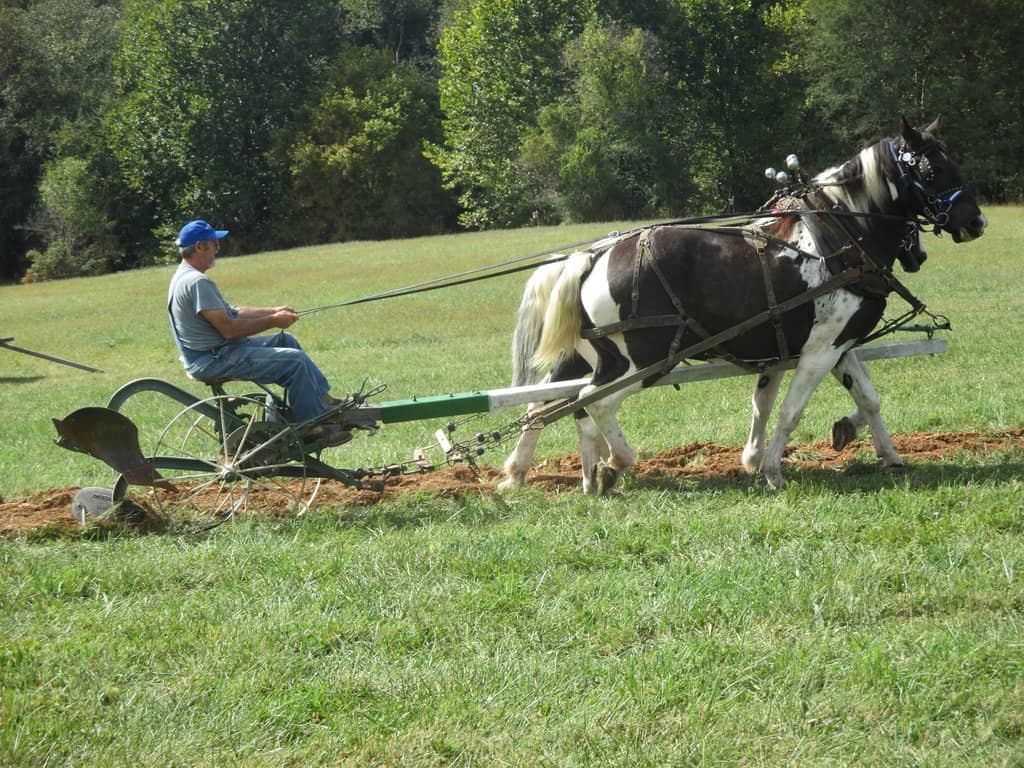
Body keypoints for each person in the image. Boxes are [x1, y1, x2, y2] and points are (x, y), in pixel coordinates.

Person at [167, 219, 349, 444]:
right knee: (296, 361)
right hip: (213, 359)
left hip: (215, 353)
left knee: (286, 341)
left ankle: (323, 402)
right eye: (214, 243)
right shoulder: (196, 282)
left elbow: (232, 312)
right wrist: (273, 320)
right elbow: (230, 329)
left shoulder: (184, 277)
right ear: (199, 247)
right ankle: (311, 428)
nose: (218, 248)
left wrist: (274, 310)